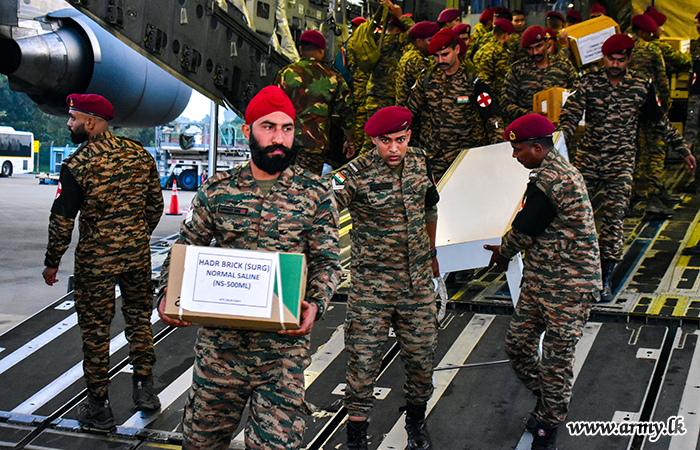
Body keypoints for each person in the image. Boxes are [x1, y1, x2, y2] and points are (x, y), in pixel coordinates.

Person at [157, 86, 342, 450]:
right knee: (200, 443)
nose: (279, 138)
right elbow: (185, 248)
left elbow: (327, 261)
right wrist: (168, 292)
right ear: (247, 131)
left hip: (282, 355)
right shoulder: (218, 190)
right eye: (268, 127)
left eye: (287, 129)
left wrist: (316, 304)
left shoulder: (315, 193)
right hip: (220, 351)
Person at [42, 93, 164, 430]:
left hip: (95, 261)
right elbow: (155, 206)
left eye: (74, 118)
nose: (70, 124)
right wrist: (136, 235)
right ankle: (144, 391)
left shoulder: (78, 163)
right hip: (136, 256)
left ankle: (99, 407)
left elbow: (62, 219)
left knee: (96, 331)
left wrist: (52, 260)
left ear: (91, 122)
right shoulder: (140, 155)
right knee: (139, 320)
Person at [485, 114, 602, 450]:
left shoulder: (554, 181)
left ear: (537, 148)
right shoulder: (548, 174)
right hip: (542, 281)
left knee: (555, 362)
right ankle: (551, 399)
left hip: (570, 287)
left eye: (518, 149)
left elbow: (525, 228)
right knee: (517, 346)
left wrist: (504, 252)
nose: (514, 155)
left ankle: (547, 428)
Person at [332, 106, 440, 450]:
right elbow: (322, 210)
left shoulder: (421, 161)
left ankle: (416, 423)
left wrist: (433, 257)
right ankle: (356, 438)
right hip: (371, 288)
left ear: (409, 136)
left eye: (401, 139)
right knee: (362, 364)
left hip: (416, 283)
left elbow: (430, 208)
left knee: (422, 360)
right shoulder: (355, 173)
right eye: (385, 141)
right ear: (372, 140)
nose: (394, 148)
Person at [558, 34, 696, 301]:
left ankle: (606, 274)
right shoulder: (587, 83)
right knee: (573, 213)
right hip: (589, 159)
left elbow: (659, 122)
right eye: (611, 59)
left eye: (621, 60)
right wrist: (557, 147)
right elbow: (569, 117)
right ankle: (573, 267)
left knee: (614, 217)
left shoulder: (641, 86)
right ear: (603, 57)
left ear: (629, 59)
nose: (615, 65)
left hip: (620, 162)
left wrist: (682, 149)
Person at [407, 29, 503, 181]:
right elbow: (410, 113)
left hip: (467, 154)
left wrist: (498, 148)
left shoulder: (474, 79)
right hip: (436, 156)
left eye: (445, 54)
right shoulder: (427, 78)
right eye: (436, 56)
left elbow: (491, 116)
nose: (440, 60)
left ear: (457, 49)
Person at [275, 30, 355, 174]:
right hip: (314, 143)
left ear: (301, 50)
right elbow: (346, 111)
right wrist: (350, 140)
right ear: (321, 51)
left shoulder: (285, 74)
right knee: (307, 185)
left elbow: (273, 107)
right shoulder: (333, 78)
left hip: (284, 141)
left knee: (282, 183)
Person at [629, 14, 676, 215]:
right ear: (642, 32)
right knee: (656, 148)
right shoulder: (651, 49)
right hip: (649, 106)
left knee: (631, 150)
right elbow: (661, 80)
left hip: (626, 108)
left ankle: (630, 195)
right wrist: (665, 105)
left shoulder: (621, 46)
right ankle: (654, 196)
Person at [361, 0, 415, 153]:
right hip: (386, 99)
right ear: (397, 30)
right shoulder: (392, 42)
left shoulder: (377, 41)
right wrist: (401, 16)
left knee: (374, 141)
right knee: (381, 142)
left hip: (374, 97)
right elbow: (415, 33)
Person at [502, 25, 578, 124]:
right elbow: (505, 105)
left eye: (539, 46)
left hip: (558, 125)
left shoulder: (563, 66)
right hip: (528, 126)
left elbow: (578, 95)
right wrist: (529, 114)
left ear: (547, 43)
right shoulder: (517, 70)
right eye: (530, 49)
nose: (535, 52)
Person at [395, 21, 439, 108]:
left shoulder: (410, 53)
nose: (434, 43)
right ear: (418, 42)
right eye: (430, 40)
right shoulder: (416, 60)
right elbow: (431, 85)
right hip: (410, 109)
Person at [473, 18, 514, 100]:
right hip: (492, 96)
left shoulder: (481, 50)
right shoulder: (500, 52)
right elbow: (501, 81)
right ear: (505, 35)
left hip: (479, 93)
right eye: (510, 35)